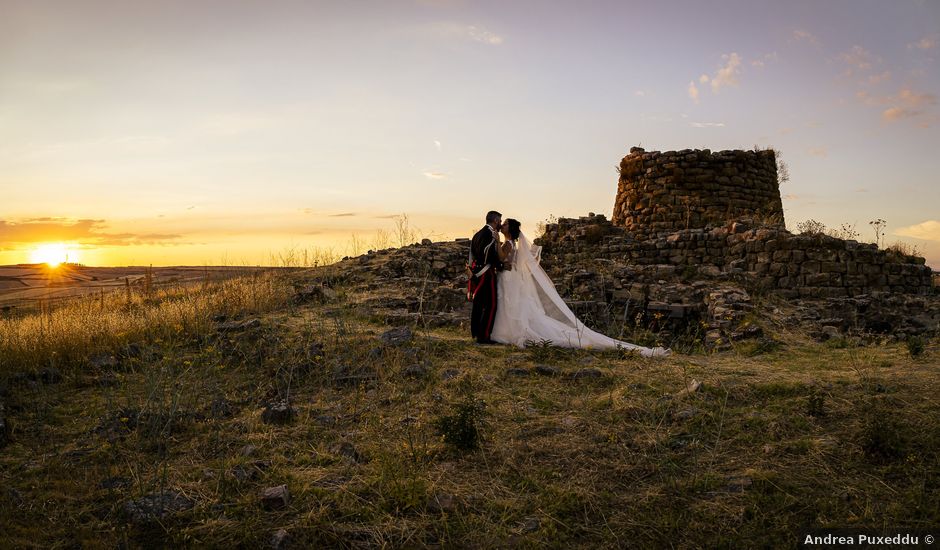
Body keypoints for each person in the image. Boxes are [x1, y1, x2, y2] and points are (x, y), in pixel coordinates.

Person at [490, 218, 669, 357]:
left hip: (509, 278)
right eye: (502, 223)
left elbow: (502, 258)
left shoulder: (508, 243)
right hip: (511, 278)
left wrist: (495, 240)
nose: (502, 225)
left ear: (510, 229)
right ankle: (509, 330)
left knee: (511, 305)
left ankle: (509, 332)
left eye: (504, 224)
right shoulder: (514, 244)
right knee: (513, 306)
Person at [468, 210, 503, 344]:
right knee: (491, 305)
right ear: (495, 221)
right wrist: (499, 265)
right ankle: (484, 336)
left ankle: (476, 332)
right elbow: (487, 254)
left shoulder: (477, 234)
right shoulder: (490, 234)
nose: (500, 223)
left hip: (476, 272)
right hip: (486, 273)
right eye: (500, 221)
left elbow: (471, 254)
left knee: (479, 304)